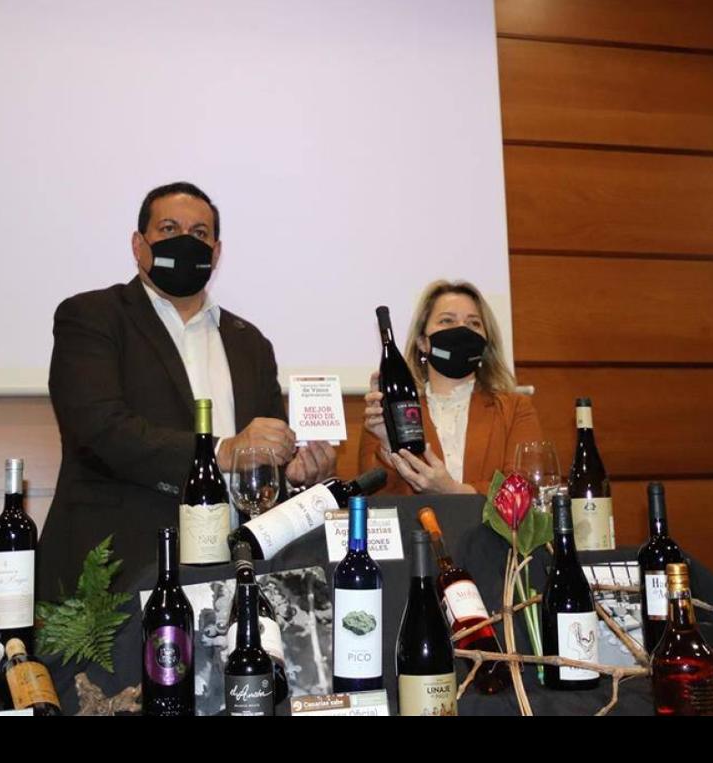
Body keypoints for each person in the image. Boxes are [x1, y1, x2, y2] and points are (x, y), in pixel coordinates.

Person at [38, 182, 336, 598]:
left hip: (234, 574)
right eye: (168, 229)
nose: (184, 242)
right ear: (138, 244)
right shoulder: (93, 317)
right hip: (120, 572)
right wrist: (221, 451)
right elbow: (100, 428)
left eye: (199, 234)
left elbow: (264, 457)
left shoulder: (250, 343)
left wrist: (295, 475)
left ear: (216, 252)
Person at [359, 279, 543, 495]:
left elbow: (525, 489)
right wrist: (389, 445)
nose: (462, 330)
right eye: (447, 320)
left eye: (474, 323)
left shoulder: (515, 408)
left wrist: (454, 490)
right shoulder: (389, 410)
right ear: (422, 342)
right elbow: (376, 500)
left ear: (486, 342)